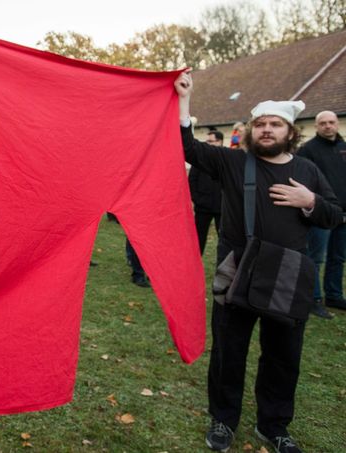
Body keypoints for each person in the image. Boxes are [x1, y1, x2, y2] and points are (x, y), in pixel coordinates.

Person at [175, 70, 342, 453]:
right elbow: (187, 148)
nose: (267, 130)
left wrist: (311, 202)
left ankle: (274, 425)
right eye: (261, 124)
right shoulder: (233, 163)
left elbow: (334, 215)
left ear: (289, 131)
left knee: (283, 355)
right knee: (229, 350)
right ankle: (223, 420)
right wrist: (184, 100)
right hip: (237, 269)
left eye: (275, 124)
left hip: (288, 273)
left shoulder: (308, 171)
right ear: (252, 130)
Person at [298, 111, 346, 319]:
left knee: (338, 257)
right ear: (316, 126)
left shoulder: (343, 147)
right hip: (321, 213)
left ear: (337, 124)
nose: (328, 126)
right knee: (316, 258)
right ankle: (313, 299)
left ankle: (334, 295)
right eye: (323, 123)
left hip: (343, 213)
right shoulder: (307, 150)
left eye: (331, 122)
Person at [189, 130, 224, 254]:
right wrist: (197, 199)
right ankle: (194, 267)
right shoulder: (201, 159)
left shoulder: (228, 159)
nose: (207, 144)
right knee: (198, 239)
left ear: (219, 142)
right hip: (203, 207)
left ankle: (225, 267)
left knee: (224, 239)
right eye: (207, 141)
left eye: (210, 141)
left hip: (223, 208)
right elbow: (192, 180)